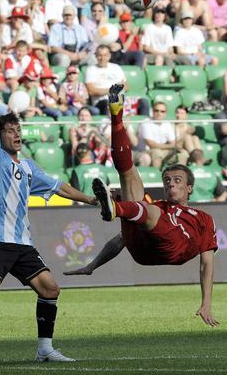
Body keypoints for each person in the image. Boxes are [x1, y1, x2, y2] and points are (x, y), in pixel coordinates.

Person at [0, 61, 97, 368]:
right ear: (1, 136)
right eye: (10, 130)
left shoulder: (29, 167)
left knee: (50, 289)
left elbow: (62, 187)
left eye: (18, 129)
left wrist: (91, 200)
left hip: (22, 242)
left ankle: (45, 349)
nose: (15, 133)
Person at [64, 83, 219, 328]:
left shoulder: (202, 218)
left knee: (143, 207)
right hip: (144, 247)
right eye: (167, 180)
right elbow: (120, 240)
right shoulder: (159, 207)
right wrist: (93, 265)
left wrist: (207, 302)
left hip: (172, 249)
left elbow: (207, 262)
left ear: (189, 187)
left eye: (177, 181)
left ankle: (116, 208)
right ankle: (116, 113)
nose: (171, 185)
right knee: (127, 172)